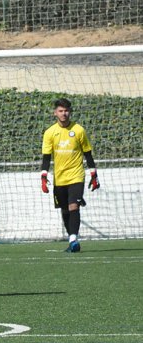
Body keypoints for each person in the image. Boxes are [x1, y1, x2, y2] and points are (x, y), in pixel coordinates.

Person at [40, 98, 99, 252]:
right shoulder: (50, 133)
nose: (64, 113)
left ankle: (74, 239)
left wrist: (94, 175)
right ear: (55, 113)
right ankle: (71, 240)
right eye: (60, 111)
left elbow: (88, 154)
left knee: (74, 206)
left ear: (70, 112)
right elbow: (46, 157)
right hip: (59, 178)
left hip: (76, 176)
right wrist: (43, 177)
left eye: (66, 111)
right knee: (65, 210)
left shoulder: (79, 130)